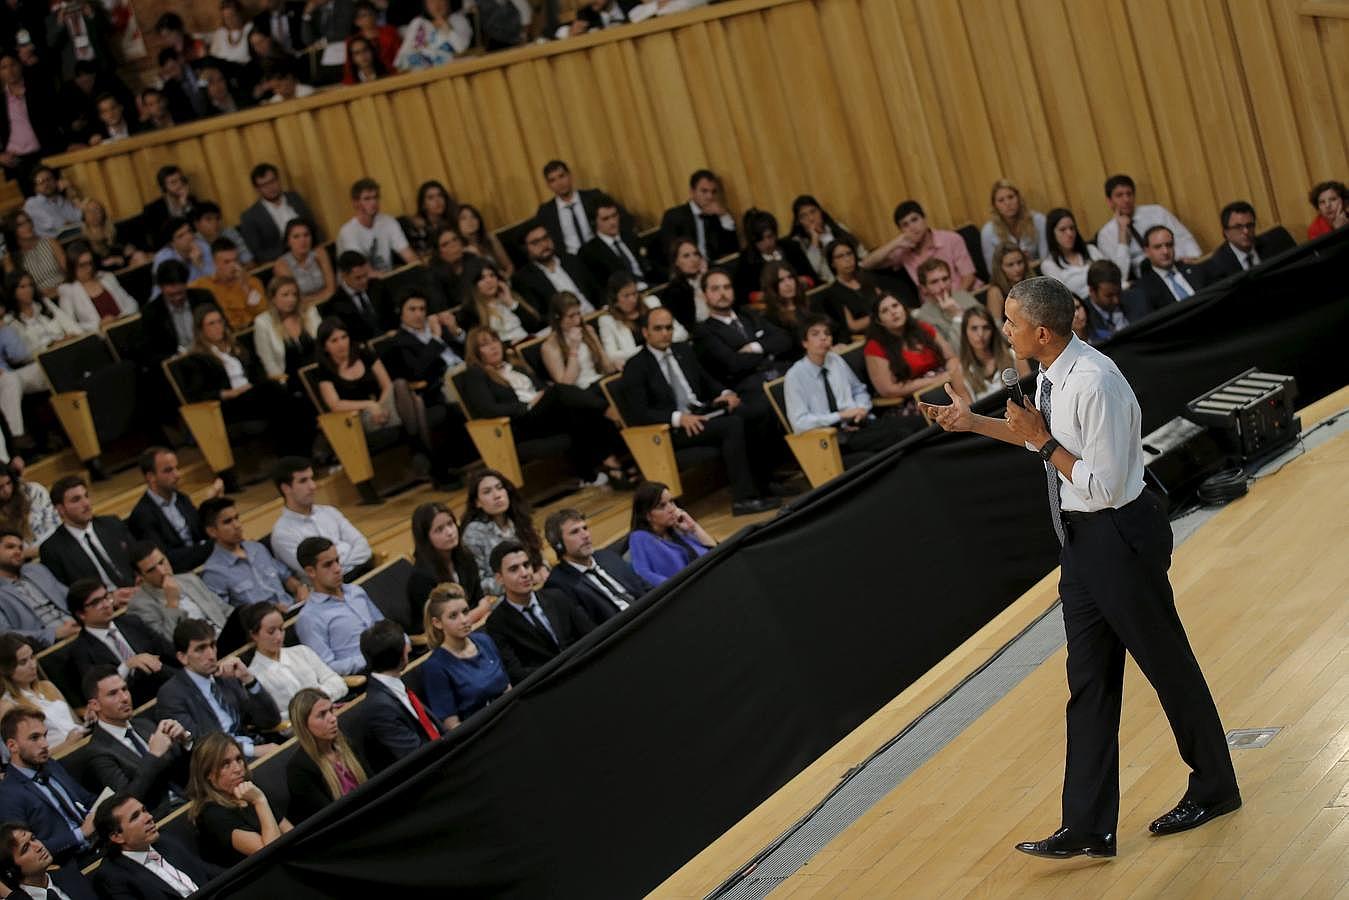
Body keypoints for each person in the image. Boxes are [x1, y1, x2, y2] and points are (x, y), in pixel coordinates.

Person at [924, 275, 1240, 860]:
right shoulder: (1047, 371)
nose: (1005, 330)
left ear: (1041, 331)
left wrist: (1044, 443)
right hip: (1079, 543)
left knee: (1167, 665)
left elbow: (1103, 484)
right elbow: (1038, 442)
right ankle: (1089, 824)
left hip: (1120, 534)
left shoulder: (1095, 382)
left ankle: (1216, 787)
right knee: (1088, 682)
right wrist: (974, 424)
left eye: (1011, 322)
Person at [624, 307, 780, 515]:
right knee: (732, 425)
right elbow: (639, 413)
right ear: (645, 332)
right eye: (658, 328)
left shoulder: (683, 350)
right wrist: (678, 419)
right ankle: (744, 499)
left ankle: (765, 484)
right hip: (671, 431)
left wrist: (725, 393)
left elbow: (707, 381)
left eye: (669, 328)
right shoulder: (636, 366)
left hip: (702, 414)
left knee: (754, 412)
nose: (665, 333)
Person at [461, 326, 630, 486]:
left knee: (576, 412)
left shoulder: (515, 365)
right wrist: (527, 405)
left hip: (543, 414)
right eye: (485, 345)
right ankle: (610, 411)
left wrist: (541, 397)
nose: (493, 347)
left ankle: (608, 466)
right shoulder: (476, 374)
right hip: (521, 423)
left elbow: (541, 388)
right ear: (476, 352)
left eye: (494, 341)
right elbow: (489, 409)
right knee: (560, 390)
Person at [177, 305, 315, 466]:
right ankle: (296, 458)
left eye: (219, 321)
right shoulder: (196, 359)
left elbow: (257, 373)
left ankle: (298, 457)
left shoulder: (237, 346)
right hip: (230, 405)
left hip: (254, 395)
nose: (217, 327)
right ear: (201, 330)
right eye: (211, 324)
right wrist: (230, 393)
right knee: (276, 392)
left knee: (298, 402)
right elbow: (197, 395)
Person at [784, 314, 918, 462]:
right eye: (815, 334)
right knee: (902, 435)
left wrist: (861, 409)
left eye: (827, 334)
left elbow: (858, 390)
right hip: (832, 437)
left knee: (917, 423)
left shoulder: (835, 360)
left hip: (859, 422)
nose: (823, 338)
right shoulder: (794, 376)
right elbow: (799, 423)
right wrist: (841, 416)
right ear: (804, 342)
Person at [158, 618, 281, 758]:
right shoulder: (171, 694)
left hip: (256, 745)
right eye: (200, 649)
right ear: (183, 657)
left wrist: (248, 679)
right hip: (221, 764)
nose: (211, 655)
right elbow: (199, 745)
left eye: (212, 645)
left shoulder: (225, 677)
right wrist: (252, 751)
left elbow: (271, 720)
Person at [79, 667, 191, 813]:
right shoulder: (97, 752)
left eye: (124, 689)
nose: (124, 698)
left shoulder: (144, 724)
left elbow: (182, 770)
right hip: (158, 818)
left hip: (188, 798)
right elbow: (128, 800)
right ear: (95, 705)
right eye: (113, 694)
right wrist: (154, 756)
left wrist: (184, 740)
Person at [484, 540, 593, 683]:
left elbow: (590, 632)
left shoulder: (556, 597)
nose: (524, 573)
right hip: (546, 687)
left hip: (585, 669)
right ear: (499, 578)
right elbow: (516, 672)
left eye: (526, 565)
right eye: (514, 569)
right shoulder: (497, 623)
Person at [0, 708, 97, 864]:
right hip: (71, 865)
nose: (45, 744)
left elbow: (86, 799)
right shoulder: (7, 794)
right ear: (12, 746)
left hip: (100, 842)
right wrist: (81, 834)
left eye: (44, 736)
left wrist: (106, 808)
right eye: (34, 738)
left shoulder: (50, 765)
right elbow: (24, 851)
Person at [67, 579, 177, 706]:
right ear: (81, 614)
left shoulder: (132, 622)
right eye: (96, 602)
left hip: (168, 685)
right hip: (134, 705)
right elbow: (97, 690)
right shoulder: (80, 650)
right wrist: (126, 667)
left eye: (106, 597)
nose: (106, 604)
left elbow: (169, 652)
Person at [187, 732, 289, 867]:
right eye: (225, 764)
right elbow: (271, 853)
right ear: (208, 774)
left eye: (239, 759)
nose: (238, 768)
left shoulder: (249, 791)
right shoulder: (212, 815)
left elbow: (290, 831)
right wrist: (260, 801)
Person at [351, 619, 440, 773]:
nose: (408, 647)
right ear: (400, 655)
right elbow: (416, 756)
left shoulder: (392, 688)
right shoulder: (379, 707)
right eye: (404, 643)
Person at [93, 792, 223, 897]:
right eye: (135, 817)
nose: (148, 817)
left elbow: (207, 871)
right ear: (117, 836)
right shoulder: (112, 877)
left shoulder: (165, 840)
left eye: (144, 810)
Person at [420, 583, 509, 729]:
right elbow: (452, 726)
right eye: (453, 616)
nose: (464, 620)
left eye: (465, 612)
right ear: (437, 623)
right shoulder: (435, 667)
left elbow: (507, 688)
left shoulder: (484, 641)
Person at [294, 536, 386, 675]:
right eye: (328, 564)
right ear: (311, 571)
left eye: (337, 561)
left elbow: (384, 625)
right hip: (363, 676)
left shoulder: (356, 591)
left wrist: (403, 641)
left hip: (391, 660)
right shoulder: (309, 618)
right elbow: (326, 668)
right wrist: (371, 658)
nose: (337, 569)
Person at [269, 458, 373, 580]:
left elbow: (363, 545)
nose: (313, 486)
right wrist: (346, 551)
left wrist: (337, 566)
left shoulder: (329, 511)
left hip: (363, 571)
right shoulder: (283, 534)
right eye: (303, 481)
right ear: (286, 488)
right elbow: (317, 573)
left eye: (312, 478)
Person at [695, 267, 793, 396]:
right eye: (715, 289)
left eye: (727, 287)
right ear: (704, 296)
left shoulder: (747, 313)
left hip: (780, 371)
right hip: (751, 387)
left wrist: (755, 347)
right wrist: (769, 351)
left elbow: (784, 339)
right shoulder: (704, 331)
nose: (723, 293)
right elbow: (733, 364)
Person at [200, 496, 309, 610]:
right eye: (227, 522)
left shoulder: (257, 548)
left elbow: (286, 577)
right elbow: (226, 616)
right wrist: (267, 612)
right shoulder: (214, 572)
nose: (237, 525)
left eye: (236, 518)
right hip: (265, 624)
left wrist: (300, 588)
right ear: (212, 531)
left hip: (294, 609)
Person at [543, 508, 651, 624]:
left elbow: (644, 587)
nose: (585, 535)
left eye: (585, 528)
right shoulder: (558, 584)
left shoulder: (607, 556)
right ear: (558, 545)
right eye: (575, 532)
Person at [864, 292, 968, 406]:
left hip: (947, 381)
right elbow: (888, 390)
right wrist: (934, 381)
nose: (893, 312)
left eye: (895, 306)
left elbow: (950, 357)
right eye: (885, 311)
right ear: (879, 321)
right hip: (915, 398)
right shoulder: (874, 347)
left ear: (903, 308)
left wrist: (952, 373)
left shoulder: (922, 327)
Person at [244, 601, 348, 714]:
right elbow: (275, 717)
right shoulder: (254, 675)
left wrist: (321, 696)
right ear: (254, 635)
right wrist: (309, 709)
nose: (279, 636)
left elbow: (337, 682)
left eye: (281, 629)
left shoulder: (301, 651)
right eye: (271, 631)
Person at [126, 447, 217, 573]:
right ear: (151, 477)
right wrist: (210, 546)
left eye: (176, 468)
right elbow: (165, 559)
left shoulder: (181, 498)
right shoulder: (143, 515)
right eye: (168, 470)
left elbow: (202, 533)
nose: (177, 475)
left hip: (204, 564)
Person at [284, 687, 366, 824]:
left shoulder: (348, 744)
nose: (333, 718)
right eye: (322, 715)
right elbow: (328, 817)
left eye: (331, 710)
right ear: (304, 725)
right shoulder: (299, 768)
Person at [1094, 173, 1201, 277]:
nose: (1126, 200)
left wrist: (1192, 257)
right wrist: (1123, 238)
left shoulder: (1157, 212)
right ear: (1109, 201)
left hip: (1177, 265)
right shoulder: (1105, 235)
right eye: (1119, 195)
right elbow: (1120, 276)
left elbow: (1184, 238)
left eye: (1129, 194)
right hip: (1147, 280)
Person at [40, 476, 136, 590]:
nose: (86, 503)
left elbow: (139, 558)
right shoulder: (53, 549)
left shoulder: (111, 524)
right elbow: (69, 593)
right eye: (76, 500)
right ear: (60, 509)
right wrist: (110, 599)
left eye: (86, 496)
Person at [862, 200, 980, 291]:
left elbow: (969, 277)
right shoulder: (902, 251)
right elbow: (865, 264)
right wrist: (895, 243)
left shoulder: (951, 239)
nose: (912, 227)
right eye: (905, 225)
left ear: (924, 219)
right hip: (934, 310)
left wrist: (954, 302)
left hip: (966, 294)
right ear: (901, 230)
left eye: (915, 220)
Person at [460, 469, 543, 598]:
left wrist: (543, 569)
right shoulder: (473, 533)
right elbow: (478, 583)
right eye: (487, 492)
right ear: (477, 502)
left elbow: (539, 558)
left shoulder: (518, 519)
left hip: (534, 588)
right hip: (501, 598)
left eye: (499, 488)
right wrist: (517, 582)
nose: (497, 495)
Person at [127, 541, 233, 642]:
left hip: (227, 635)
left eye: (161, 562)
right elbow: (167, 642)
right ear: (140, 576)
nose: (162, 571)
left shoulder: (189, 579)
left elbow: (225, 610)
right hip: (201, 652)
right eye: (151, 570)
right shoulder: (139, 606)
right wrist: (172, 604)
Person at [409, 501, 488, 627]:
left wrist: (481, 609)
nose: (450, 532)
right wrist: (480, 611)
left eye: (450, 524)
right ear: (426, 538)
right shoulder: (421, 577)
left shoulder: (465, 557)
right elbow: (443, 624)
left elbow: (480, 598)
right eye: (439, 529)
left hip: (477, 626)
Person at [0, 634, 84, 751]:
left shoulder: (47, 686)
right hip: (61, 757)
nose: (33, 665)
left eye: (32, 657)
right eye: (23, 662)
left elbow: (77, 723)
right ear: (7, 669)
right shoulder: (7, 706)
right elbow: (25, 757)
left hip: (83, 743)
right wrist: (67, 744)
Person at [628, 482, 714, 586]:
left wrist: (694, 528)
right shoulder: (639, 538)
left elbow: (714, 551)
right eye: (662, 506)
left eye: (671, 502)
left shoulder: (675, 529)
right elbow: (643, 574)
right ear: (647, 515)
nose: (672, 509)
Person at [0, 529, 76, 647]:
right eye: (10, 547)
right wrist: (53, 634)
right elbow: (5, 635)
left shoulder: (36, 569)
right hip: (46, 646)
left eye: (21, 548)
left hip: (76, 625)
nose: (18, 551)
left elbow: (71, 596)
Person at [385, 290, 464, 403]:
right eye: (412, 309)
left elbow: (467, 351)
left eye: (422, 309)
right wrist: (436, 338)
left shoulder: (437, 323)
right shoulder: (398, 341)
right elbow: (417, 372)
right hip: (441, 385)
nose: (419, 314)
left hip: (465, 368)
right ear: (400, 312)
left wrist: (456, 331)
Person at [596, 272, 688, 368]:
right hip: (642, 366)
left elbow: (681, 332)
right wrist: (650, 347)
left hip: (670, 355)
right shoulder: (607, 320)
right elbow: (612, 355)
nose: (633, 300)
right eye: (626, 296)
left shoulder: (652, 302)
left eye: (634, 294)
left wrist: (659, 344)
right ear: (615, 298)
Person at [1120, 225, 1208, 322]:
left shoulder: (1195, 270)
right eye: (1158, 247)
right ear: (1147, 252)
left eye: (1169, 245)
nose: (1165, 251)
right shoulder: (1143, 289)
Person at [0, 53, 62, 190]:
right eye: (4, 67)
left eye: (13, 65)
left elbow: (55, 117)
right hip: (16, 161)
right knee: (31, 205)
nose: (9, 71)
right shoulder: (1, 100)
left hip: (44, 154)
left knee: (56, 195)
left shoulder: (38, 89)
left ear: (20, 65)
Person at [238, 163, 322, 264]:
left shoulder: (294, 198)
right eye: (264, 185)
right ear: (257, 189)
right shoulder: (250, 216)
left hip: (311, 254)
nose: (270, 187)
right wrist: (290, 251)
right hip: (282, 263)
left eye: (272, 181)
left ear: (278, 180)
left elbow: (314, 228)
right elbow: (259, 254)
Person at [1040, 207, 1128, 300]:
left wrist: (1122, 234)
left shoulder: (1090, 250)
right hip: (1084, 307)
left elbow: (1117, 275)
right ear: (1052, 234)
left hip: (1112, 297)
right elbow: (1065, 298)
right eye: (1063, 230)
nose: (1069, 233)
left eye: (1072, 228)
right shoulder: (1049, 265)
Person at [512, 221, 601, 313]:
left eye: (545, 238)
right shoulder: (524, 279)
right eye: (536, 242)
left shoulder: (571, 260)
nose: (544, 244)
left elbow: (597, 291)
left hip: (596, 314)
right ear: (525, 248)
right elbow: (541, 315)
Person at [540, 292, 618, 393]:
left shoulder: (588, 330)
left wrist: (614, 363)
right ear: (557, 317)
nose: (577, 320)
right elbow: (566, 386)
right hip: (580, 393)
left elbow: (608, 368)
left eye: (578, 313)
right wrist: (574, 349)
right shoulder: (549, 346)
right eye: (571, 316)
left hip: (600, 381)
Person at [141, 260, 220, 359]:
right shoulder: (151, 312)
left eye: (180, 293)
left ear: (186, 284)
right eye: (171, 295)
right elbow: (152, 352)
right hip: (179, 363)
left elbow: (224, 328)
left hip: (212, 353)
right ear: (161, 288)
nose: (177, 298)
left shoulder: (203, 298)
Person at [338, 177, 418, 273]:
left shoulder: (388, 221)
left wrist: (420, 269)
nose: (373, 202)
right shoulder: (348, 231)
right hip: (361, 283)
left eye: (376, 197)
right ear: (355, 203)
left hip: (387, 277)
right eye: (367, 199)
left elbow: (408, 255)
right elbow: (362, 270)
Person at [733, 208, 814, 302]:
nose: (767, 243)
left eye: (769, 236)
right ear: (753, 241)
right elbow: (741, 295)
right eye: (760, 239)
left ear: (775, 233)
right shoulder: (747, 260)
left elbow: (812, 278)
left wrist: (803, 281)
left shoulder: (791, 248)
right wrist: (765, 296)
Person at [253, 275, 321, 387]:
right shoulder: (262, 322)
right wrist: (282, 384)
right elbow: (268, 361)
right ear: (273, 298)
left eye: (294, 294)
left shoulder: (309, 311)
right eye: (285, 295)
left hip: (320, 371)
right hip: (290, 381)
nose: (291, 299)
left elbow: (324, 341)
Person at [55, 241, 137, 332]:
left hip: (126, 327)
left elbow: (131, 302)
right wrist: (98, 325)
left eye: (90, 263)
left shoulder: (106, 277)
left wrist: (119, 318)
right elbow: (70, 325)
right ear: (72, 267)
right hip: (100, 337)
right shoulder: (67, 290)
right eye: (83, 265)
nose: (89, 268)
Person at [0, 822, 98, 898]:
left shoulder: (69, 874)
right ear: (11, 868)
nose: (38, 847)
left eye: (33, 838)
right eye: (25, 848)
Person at [659, 169, 738, 262]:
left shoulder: (716, 216)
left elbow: (732, 249)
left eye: (713, 192)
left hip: (714, 268)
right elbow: (670, 254)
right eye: (704, 191)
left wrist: (724, 216)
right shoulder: (674, 216)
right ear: (692, 192)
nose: (710, 197)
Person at [579, 193, 655, 286]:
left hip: (650, 286)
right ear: (594, 222)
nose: (612, 222)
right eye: (605, 219)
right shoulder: (591, 252)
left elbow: (650, 266)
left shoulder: (629, 236)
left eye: (614, 215)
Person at [190, 238, 266, 329]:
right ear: (215, 263)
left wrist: (245, 287)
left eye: (235, 260)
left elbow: (264, 313)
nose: (233, 266)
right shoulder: (203, 286)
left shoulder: (252, 282)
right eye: (227, 262)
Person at [788, 194, 864, 285]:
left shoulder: (835, 227)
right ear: (799, 222)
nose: (811, 218)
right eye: (804, 216)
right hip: (831, 283)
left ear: (820, 212)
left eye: (813, 212)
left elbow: (861, 252)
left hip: (857, 271)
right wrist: (814, 240)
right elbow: (813, 270)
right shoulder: (797, 243)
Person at [959, 304, 1029, 399]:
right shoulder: (961, 371)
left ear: (993, 331)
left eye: (986, 328)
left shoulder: (1014, 355)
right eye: (974, 328)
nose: (980, 334)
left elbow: (1030, 391)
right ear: (965, 332)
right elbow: (967, 411)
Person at [912, 258, 982, 351]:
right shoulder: (923, 316)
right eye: (934, 282)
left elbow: (992, 324)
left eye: (945, 279)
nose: (942, 286)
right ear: (924, 288)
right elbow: (953, 349)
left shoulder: (963, 296)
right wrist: (957, 316)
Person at [979, 179, 1048, 270]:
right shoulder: (988, 232)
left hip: (1040, 271)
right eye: (1001, 200)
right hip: (1009, 281)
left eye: (1011, 197)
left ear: (1019, 198)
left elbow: (1047, 258)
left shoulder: (1038, 220)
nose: (1007, 203)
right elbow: (993, 271)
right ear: (995, 205)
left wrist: (1027, 267)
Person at [818, 238, 878, 338]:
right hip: (864, 336)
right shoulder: (833, 293)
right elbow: (853, 326)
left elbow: (884, 301)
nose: (847, 259)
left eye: (849, 253)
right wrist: (880, 316)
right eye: (840, 256)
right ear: (832, 263)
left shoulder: (867, 278)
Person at [329, 250, 393, 341]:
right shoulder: (335, 305)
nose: (364, 281)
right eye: (358, 278)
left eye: (365, 275)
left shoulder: (378, 287)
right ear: (344, 276)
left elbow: (392, 316)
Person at [1203, 201, 1275, 282]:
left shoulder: (1272, 246)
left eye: (1249, 225)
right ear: (1226, 232)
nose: (1246, 231)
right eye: (1238, 227)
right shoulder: (1217, 266)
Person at [1, 209, 66, 298]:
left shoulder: (50, 242)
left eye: (28, 221)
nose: (27, 226)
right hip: (39, 299)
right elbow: (17, 291)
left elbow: (69, 271)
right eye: (21, 225)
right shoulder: (11, 258)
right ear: (13, 230)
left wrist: (60, 289)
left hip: (64, 290)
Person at [394, 0, 472, 71]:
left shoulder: (459, 20)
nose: (437, 5)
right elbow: (400, 60)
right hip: (421, 77)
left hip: (452, 72)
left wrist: (447, 28)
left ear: (448, 2)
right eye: (431, 1)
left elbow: (462, 50)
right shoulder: (418, 23)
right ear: (425, 5)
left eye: (441, 0)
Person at [0, 466, 59, 557]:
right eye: (0, 487)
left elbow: (54, 525)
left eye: (8, 483)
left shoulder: (34, 491)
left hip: (54, 547)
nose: (7, 490)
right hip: (21, 561)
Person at [79, 198, 147, 270]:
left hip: (125, 264)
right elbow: (94, 264)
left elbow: (129, 250)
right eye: (89, 211)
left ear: (103, 212)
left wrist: (119, 258)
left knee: (139, 256)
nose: (94, 214)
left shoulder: (116, 230)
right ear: (84, 216)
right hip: (104, 272)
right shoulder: (84, 241)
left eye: (97, 210)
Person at [141, 167, 198, 252]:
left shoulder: (191, 201)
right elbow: (156, 240)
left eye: (181, 180)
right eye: (173, 182)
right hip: (168, 250)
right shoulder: (152, 209)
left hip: (193, 245)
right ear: (164, 187)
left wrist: (185, 206)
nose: (179, 185)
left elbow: (196, 228)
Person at [758, 261, 809, 354]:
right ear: (771, 286)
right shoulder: (770, 317)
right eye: (781, 280)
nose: (788, 284)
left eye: (790, 277)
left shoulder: (807, 304)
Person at [659, 238, 709, 329]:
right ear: (676, 262)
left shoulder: (713, 278)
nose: (693, 259)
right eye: (686, 256)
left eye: (696, 254)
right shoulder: (673, 293)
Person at [22, 166, 82, 240]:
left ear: (56, 181)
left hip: (73, 238)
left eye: (49, 179)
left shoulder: (62, 200)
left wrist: (71, 190)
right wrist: (70, 224)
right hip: (51, 245)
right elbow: (58, 225)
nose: (46, 184)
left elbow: (80, 218)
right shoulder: (32, 203)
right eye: (40, 181)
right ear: (35, 188)